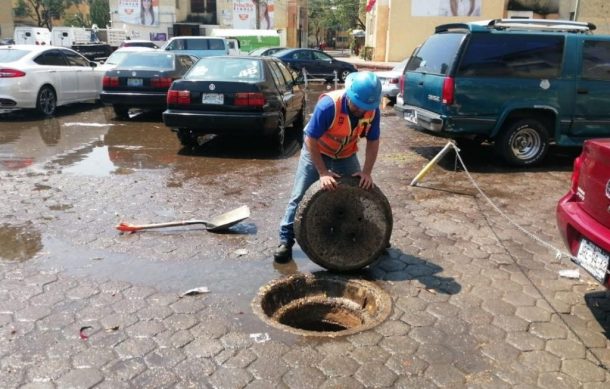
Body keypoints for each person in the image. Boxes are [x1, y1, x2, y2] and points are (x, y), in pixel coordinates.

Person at [273, 71, 382, 263]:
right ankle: (285, 240)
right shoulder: (329, 106)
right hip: (317, 150)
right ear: (350, 94)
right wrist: (322, 172)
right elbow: (310, 138)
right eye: (358, 106)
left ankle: (366, 234)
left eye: (365, 107)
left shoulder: (372, 110)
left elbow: (373, 141)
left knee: (358, 193)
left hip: (346, 154)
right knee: (299, 196)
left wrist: (366, 172)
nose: (361, 111)